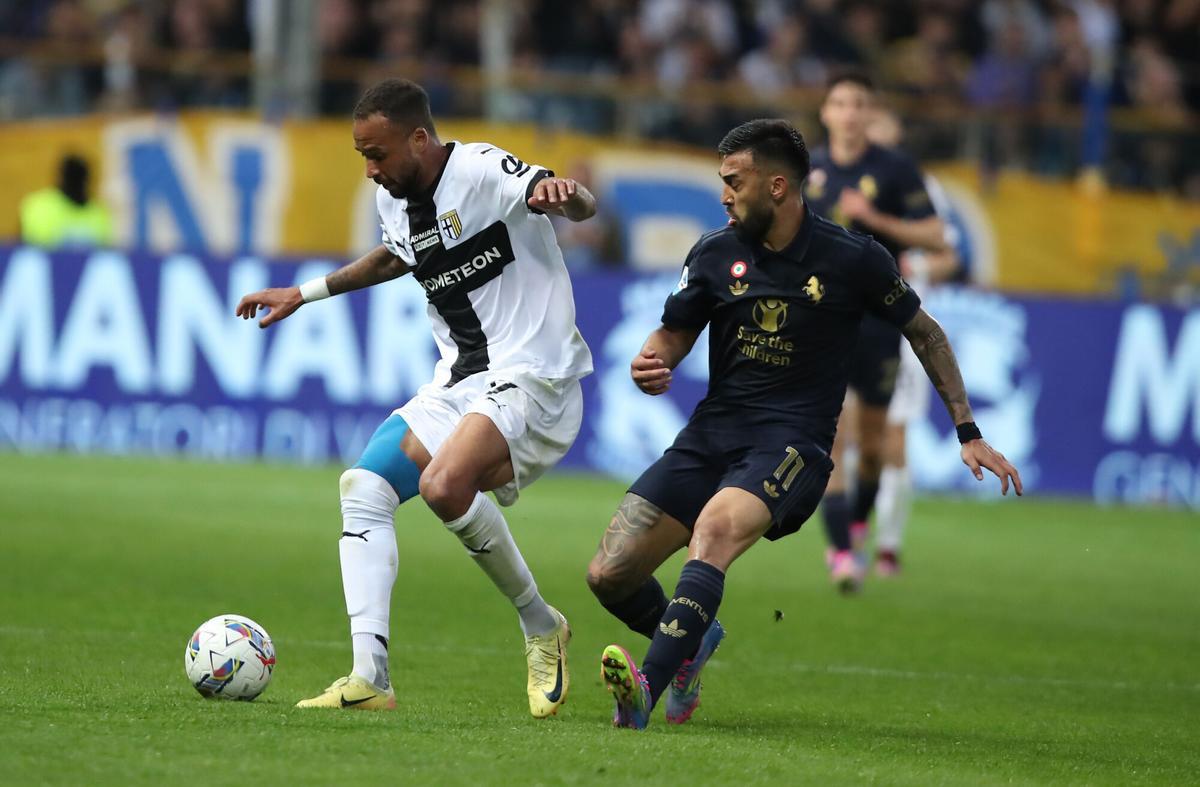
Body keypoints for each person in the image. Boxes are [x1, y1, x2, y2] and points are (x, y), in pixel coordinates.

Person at [584, 119, 1020, 730]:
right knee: (609, 573)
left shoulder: (853, 258)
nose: (724, 195)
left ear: (779, 186)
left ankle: (644, 693)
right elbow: (674, 332)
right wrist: (653, 359)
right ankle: (690, 644)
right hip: (712, 434)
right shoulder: (714, 253)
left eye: (734, 181)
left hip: (792, 444)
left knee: (713, 531)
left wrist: (967, 431)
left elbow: (925, 332)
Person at [235, 79, 596, 718]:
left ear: (420, 139)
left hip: (533, 375)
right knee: (363, 487)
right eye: (361, 157)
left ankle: (541, 627)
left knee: (442, 486)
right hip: (459, 382)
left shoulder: (483, 170)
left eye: (377, 154)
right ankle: (369, 675)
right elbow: (394, 259)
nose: (371, 171)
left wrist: (567, 196)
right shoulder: (395, 199)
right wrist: (305, 292)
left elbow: (572, 201)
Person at [804, 72, 948, 591]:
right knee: (833, 437)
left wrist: (877, 219)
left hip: (880, 317)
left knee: (873, 442)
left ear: (868, 113)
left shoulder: (894, 169)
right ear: (825, 112)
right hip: (821, 319)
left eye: (857, 103)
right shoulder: (807, 170)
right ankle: (843, 551)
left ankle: (858, 519)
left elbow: (935, 236)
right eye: (838, 102)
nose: (847, 112)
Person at [865, 107, 964, 576]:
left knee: (894, 437)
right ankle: (848, 534)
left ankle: (886, 544)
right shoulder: (839, 186)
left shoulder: (919, 190)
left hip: (901, 323)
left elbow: (949, 256)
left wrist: (913, 270)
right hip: (847, 321)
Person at [19, 154, 113, 249]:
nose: (76, 185)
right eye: (73, 179)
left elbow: (103, 250)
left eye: (79, 179)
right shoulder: (38, 206)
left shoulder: (98, 213)